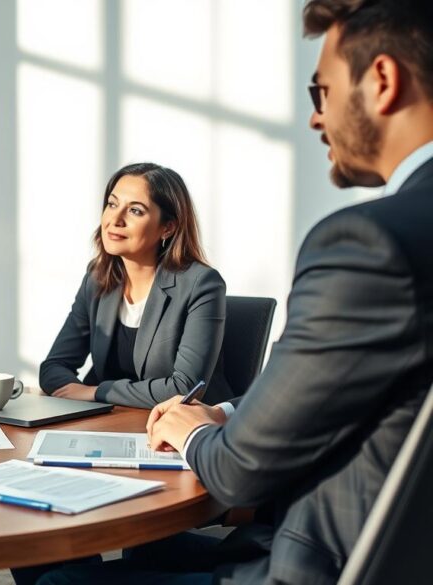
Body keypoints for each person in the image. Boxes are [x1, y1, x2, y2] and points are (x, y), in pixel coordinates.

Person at [37, 1, 433, 584]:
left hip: (314, 561)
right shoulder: (99, 278)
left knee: (58, 579)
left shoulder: (367, 246)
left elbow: (238, 471)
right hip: (381, 549)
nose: (315, 121)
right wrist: (220, 411)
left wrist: (192, 427)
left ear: (380, 80)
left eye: (319, 93)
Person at [39, 162, 232, 409]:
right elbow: (53, 367)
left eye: (136, 211)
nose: (115, 219)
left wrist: (96, 392)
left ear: (168, 227)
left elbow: (184, 389)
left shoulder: (201, 284)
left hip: (182, 431)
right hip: (111, 423)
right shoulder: (97, 277)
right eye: (112, 204)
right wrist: (75, 394)